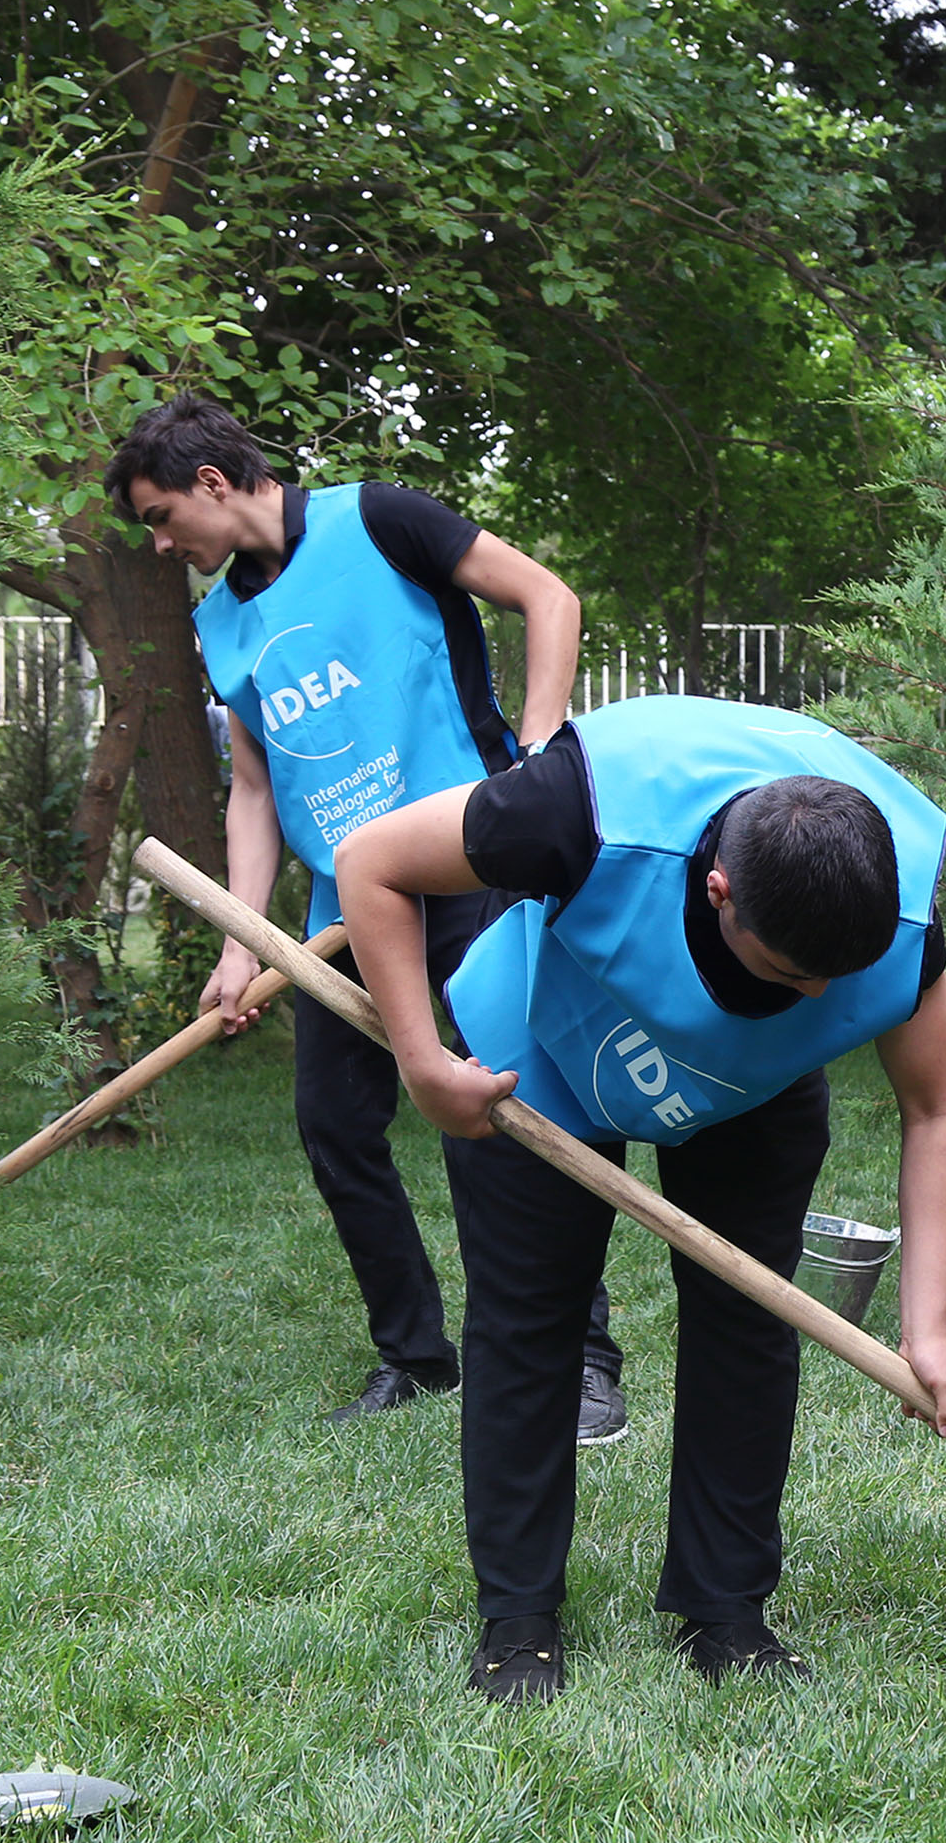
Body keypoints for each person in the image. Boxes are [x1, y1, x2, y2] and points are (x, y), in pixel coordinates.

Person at [332, 695, 946, 1703]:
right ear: (721, 889)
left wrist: (928, 1324)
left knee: (748, 1316)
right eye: (789, 969)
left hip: (749, 1086)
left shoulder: (893, 908)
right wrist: (422, 1062)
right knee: (527, 1320)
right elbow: (372, 861)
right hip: (546, 1044)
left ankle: (725, 1612)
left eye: (838, 977)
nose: (822, 997)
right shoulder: (577, 808)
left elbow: (938, 1109)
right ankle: (518, 1621)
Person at [108, 395, 626, 1431]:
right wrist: (239, 938)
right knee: (335, 1123)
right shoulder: (219, 622)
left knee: (505, 1116)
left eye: (162, 515)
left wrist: (537, 757)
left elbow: (547, 596)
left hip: (471, 859)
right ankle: (417, 1353)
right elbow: (254, 787)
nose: (160, 541)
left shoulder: (381, 520)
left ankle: (581, 1356)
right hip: (347, 904)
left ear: (213, 482)